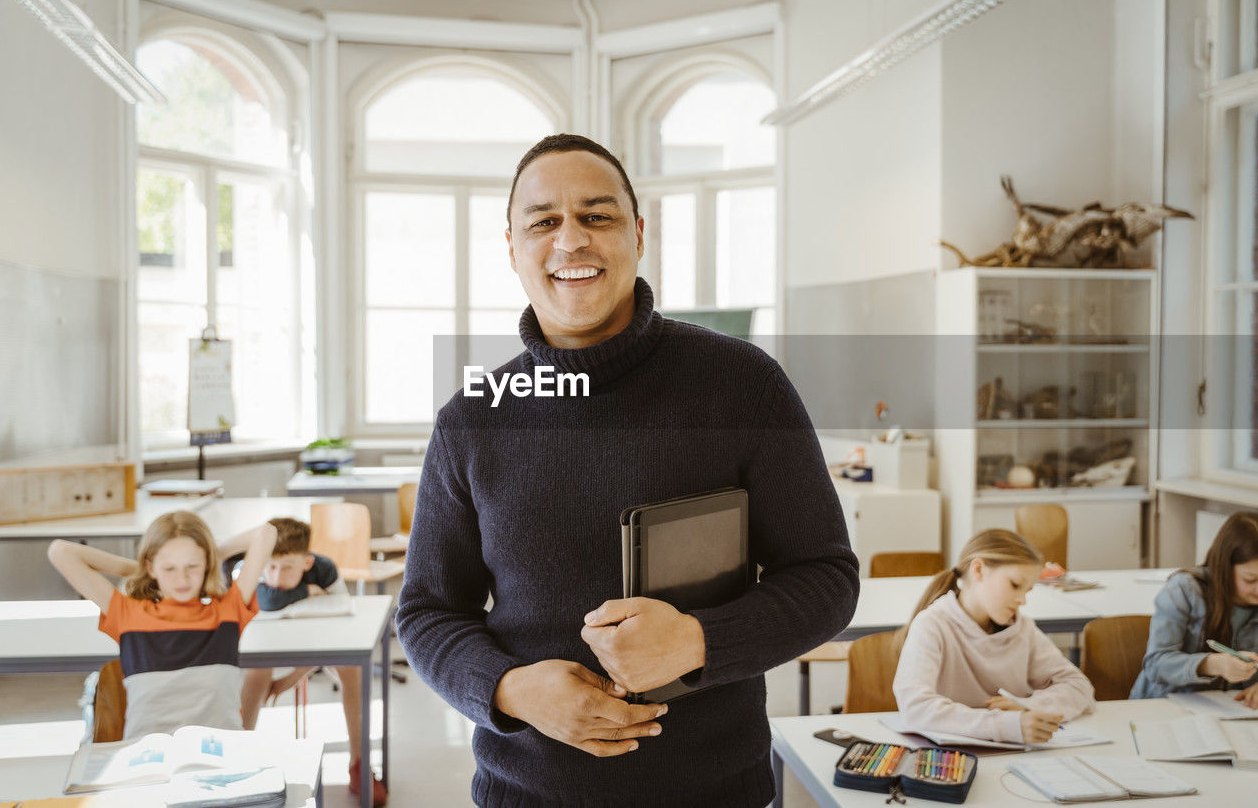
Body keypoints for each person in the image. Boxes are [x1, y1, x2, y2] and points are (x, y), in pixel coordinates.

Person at [397, 133, 859, 806]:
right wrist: (509, 688)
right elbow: (429, 611)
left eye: (597, 215)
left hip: (717, 794)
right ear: (512, 248)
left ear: (638, 233)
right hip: (526, 793)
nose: (571, 240)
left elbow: (826, 578)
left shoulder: (742, 383)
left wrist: (700, 640)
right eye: (544, 221)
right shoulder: (472, 418)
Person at [47, 512, 275, 741]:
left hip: (221, 754)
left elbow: (267, 532)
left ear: (206, 565)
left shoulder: (227, 612)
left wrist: (213, 556)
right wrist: (140, 570)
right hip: (149, 758)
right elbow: (61, 551)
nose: (182, 579)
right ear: (151, 567)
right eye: (169, 569)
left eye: (192, 566)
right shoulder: (129, 614)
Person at [228, 517, 387, 806]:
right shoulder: (249, 568)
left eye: (287, 567)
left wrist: (290, 678)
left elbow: (339, 627)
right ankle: (239, 760)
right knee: (256, 674)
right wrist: (304, 592)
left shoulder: (325, 569)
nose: (275, 576)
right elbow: (268, 600)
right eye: (270, 567)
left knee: (352, 668)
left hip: (315, 646)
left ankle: (359, 763)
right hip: (264, 646)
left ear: (307, 563)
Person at [893, 529, 1095, 745]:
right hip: (946, 758)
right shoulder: (932, 625)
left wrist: (1029, 706)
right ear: (978, 570)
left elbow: (1079, 687)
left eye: (1028, 590)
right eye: (1015, 585)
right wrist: (1006, 725)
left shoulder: (1022, 628)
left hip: (1011, 755)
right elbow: (915, 708)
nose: (1022, 601)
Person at [1131, 511, 1258, 706]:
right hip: (1164, 708)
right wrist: (1212, 664)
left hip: (1235, 712)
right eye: (1250, 579)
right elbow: (1156, 664)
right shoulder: (1185, 589)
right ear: (1225, 566)